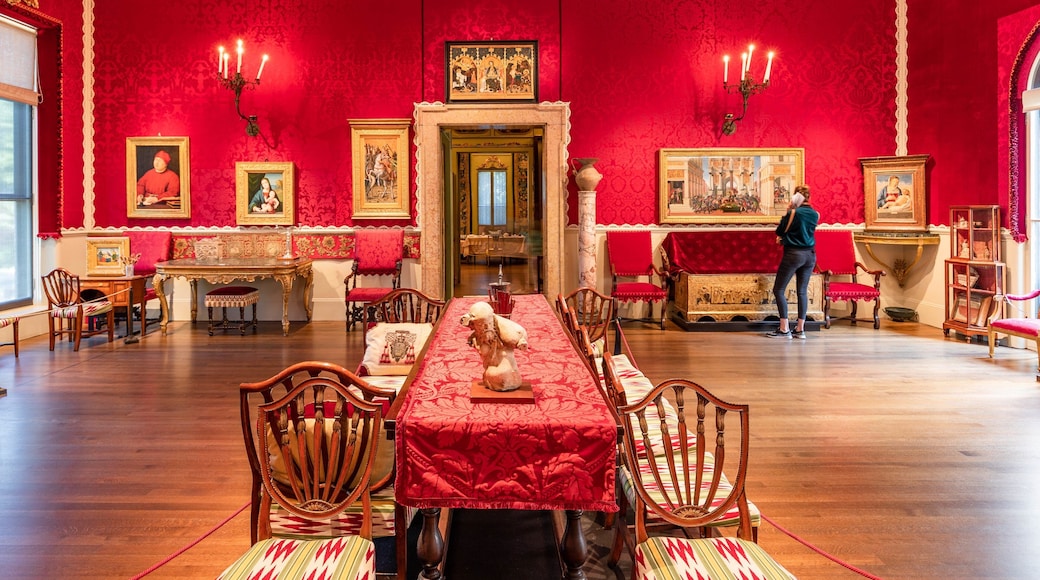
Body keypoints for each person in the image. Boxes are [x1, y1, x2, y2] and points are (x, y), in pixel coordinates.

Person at [767, 184, 819, 339]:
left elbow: (780, 231)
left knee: (779, 290)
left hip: (793, 254)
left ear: (796, 197)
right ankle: (800, 330)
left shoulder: (793, 213)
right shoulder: (816, 214)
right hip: (810, 255)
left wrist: (789, 211)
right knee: (802, 291)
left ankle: (784, 329)